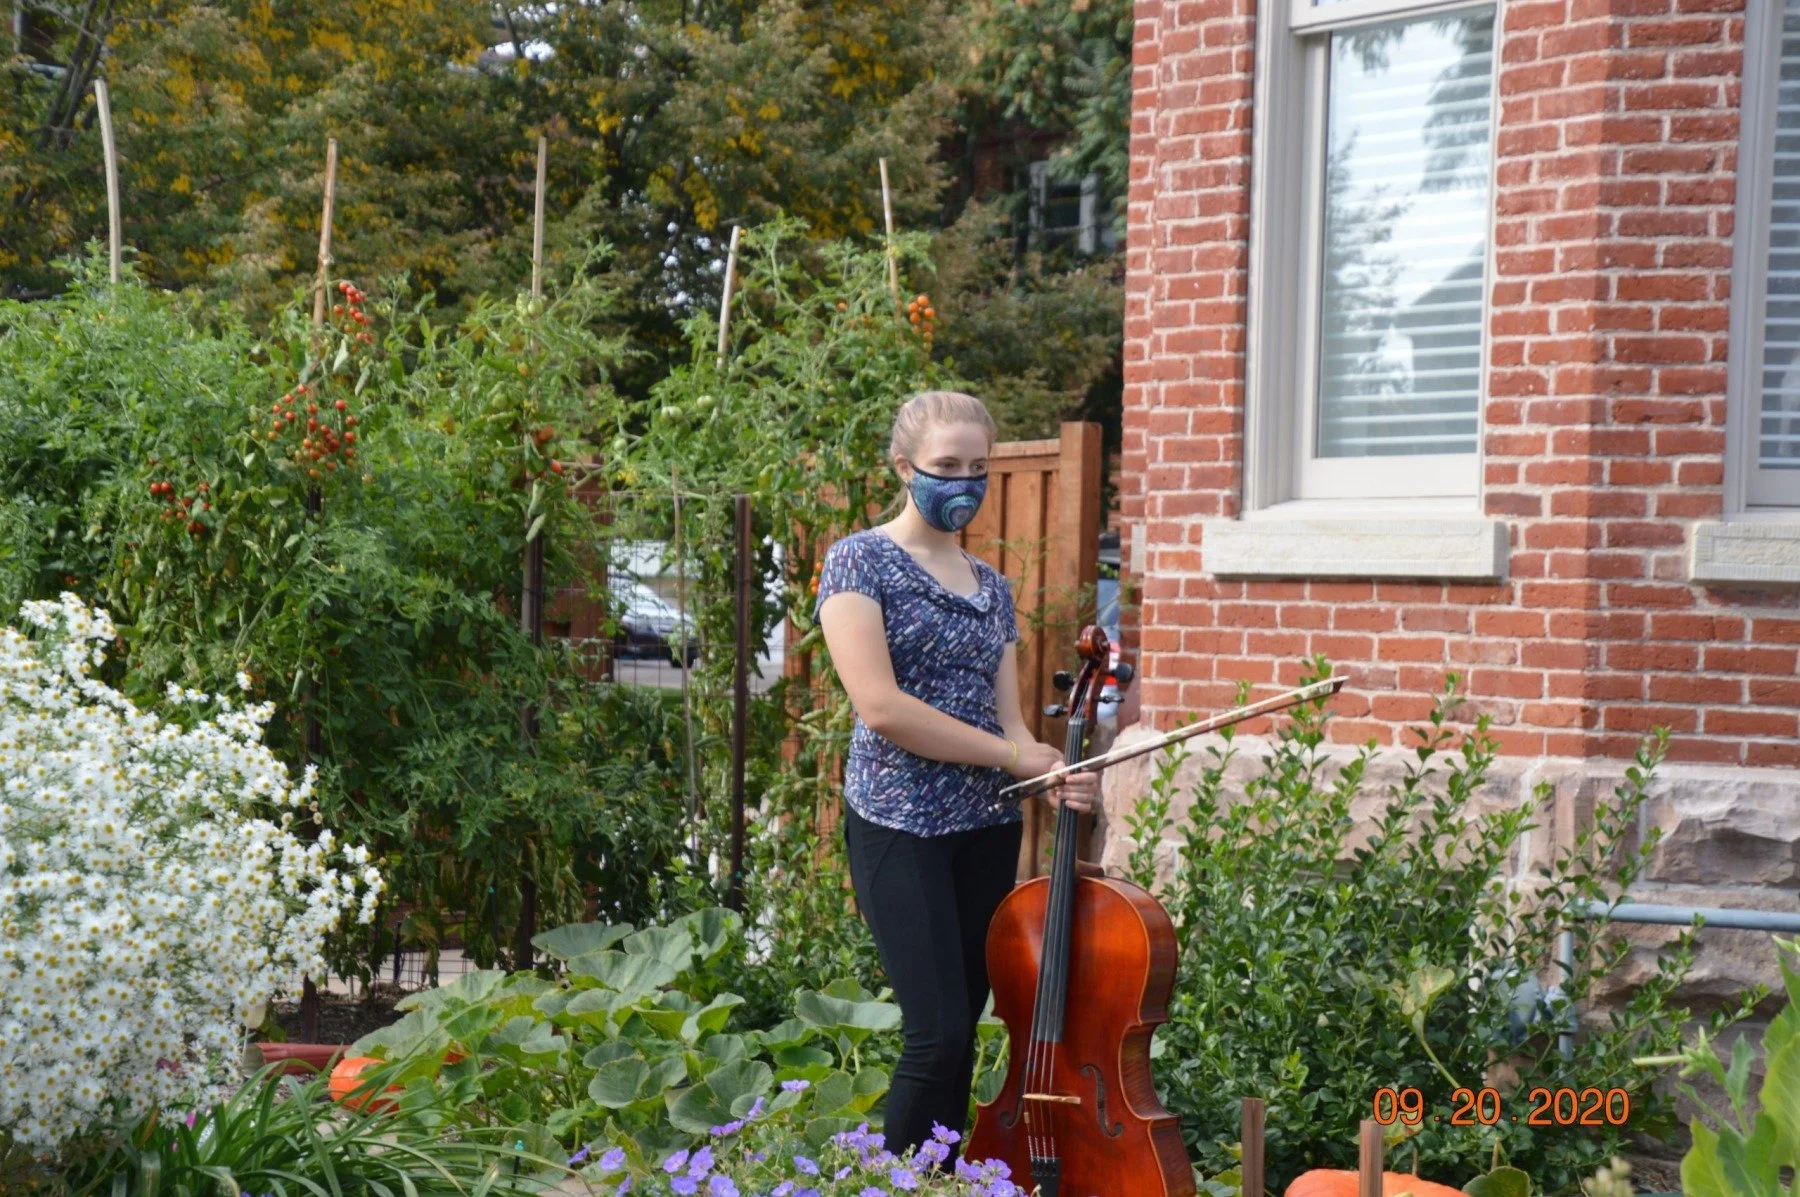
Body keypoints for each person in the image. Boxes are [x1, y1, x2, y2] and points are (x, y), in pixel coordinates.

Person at [812, 390, 1102, 1165]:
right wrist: (1011, 757)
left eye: (978, 467)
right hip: (897, 821)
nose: (965, 483)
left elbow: (1008, 724)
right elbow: (881, 707)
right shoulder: (858, 561)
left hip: (985, 825)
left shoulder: (992, 587)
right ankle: (900, 1185)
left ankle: (940, 1180)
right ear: (905, 466)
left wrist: (1049, 770)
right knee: (935, 1029)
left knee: (964, 1025)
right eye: (947, 466)